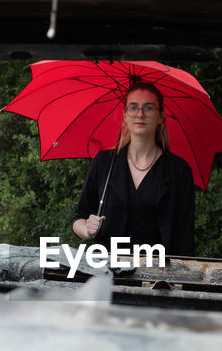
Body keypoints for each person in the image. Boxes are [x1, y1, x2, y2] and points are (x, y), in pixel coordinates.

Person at [71, 81, 196, 256]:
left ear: (161, 116)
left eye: (149, 108)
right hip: (107, 272)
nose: (140, 114)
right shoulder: (104, 162)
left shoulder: (179, 170)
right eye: (133, 107)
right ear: (124, 115)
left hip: (157, 275)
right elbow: (79, 218)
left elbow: (185, 237)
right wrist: (87, 229)